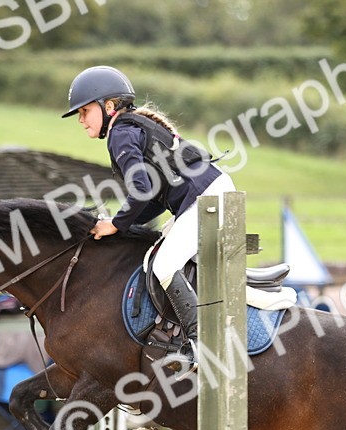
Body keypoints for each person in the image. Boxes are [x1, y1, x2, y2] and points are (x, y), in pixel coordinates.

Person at [62, 65, 234, 361]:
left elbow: (140, 187)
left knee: (164, 266)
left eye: (84, 111)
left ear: (109, 106)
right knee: (155, 254)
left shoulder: (120, 133)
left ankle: (202, 344)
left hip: (206, 198)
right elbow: (152, 198)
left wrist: (116, 224)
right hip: (206, 195)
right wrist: (121, 226)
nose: (81, 120)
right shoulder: (128, 128)